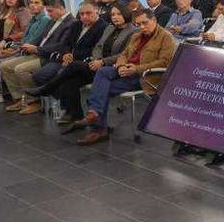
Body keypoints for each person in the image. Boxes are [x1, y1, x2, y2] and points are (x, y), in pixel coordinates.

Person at [73, 8, 176, 146]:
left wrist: (136, 69)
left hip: (144, 77)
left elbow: (164, 62)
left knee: (102, 89)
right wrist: (121, 66)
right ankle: (94, 113)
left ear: (154, 20)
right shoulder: (136, 36)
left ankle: (98, 127)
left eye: (145, 23)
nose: (142, 27)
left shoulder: (166, 37)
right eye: (138, 24)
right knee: (103, 72)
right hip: (125, 70)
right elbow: (124, 55)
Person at [38, 3, 137, 125]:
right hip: (96, 64)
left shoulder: (133, 32)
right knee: (70, 80)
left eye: (119, 14)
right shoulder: (109, 28)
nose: (115, 17)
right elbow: (98, 47)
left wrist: (102, 62)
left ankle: (48, 87)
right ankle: (75, 115)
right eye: (112, 14)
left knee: (73, 66)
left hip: (114, 68)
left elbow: (124, 54)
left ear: (126, 14)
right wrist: (96, 60)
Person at [0, 0, 74, 114]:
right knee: (5, 66)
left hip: (50, 57)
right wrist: (24, 47)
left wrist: (37, 49)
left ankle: (34, 102)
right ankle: (20, 98)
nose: (48, 14)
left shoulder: (71, 23)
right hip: (38, 52)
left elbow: (61, 46)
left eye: (50, 11)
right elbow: (41, 38)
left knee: (21, 69)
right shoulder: (52, 20)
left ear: (60, 8)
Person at [26, 1, 107, 108]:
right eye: (82, 14)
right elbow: (65, 45)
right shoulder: (77, 25)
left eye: (88, 13)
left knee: (64, 72)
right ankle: (73, 114)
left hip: (89, 63)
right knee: (69, 82)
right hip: (70, 62)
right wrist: (66, 54)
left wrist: (72, 57)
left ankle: (47, 89)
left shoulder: (103, 27)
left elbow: (96, 50)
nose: (84, 16)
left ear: (97, 11)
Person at [0, 0, 48, 107]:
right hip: (15, 47)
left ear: (44, 6)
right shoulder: (32, 19)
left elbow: (31, 42)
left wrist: (10, 50)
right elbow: (24, 39)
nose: (32, 5)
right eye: (31, 3)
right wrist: (9, 47)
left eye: (36, 3)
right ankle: (7, 95)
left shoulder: (42, 19)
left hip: (27, 52)